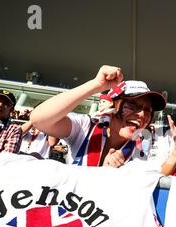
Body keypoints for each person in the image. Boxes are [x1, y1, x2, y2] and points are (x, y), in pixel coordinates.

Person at [30, 65, 166, 167]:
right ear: (113, 105)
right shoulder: (85, 127)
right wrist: (96, 85)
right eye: (133, 105)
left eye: (148, 110)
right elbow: (38, 119)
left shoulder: (142, 150)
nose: (142, 114)